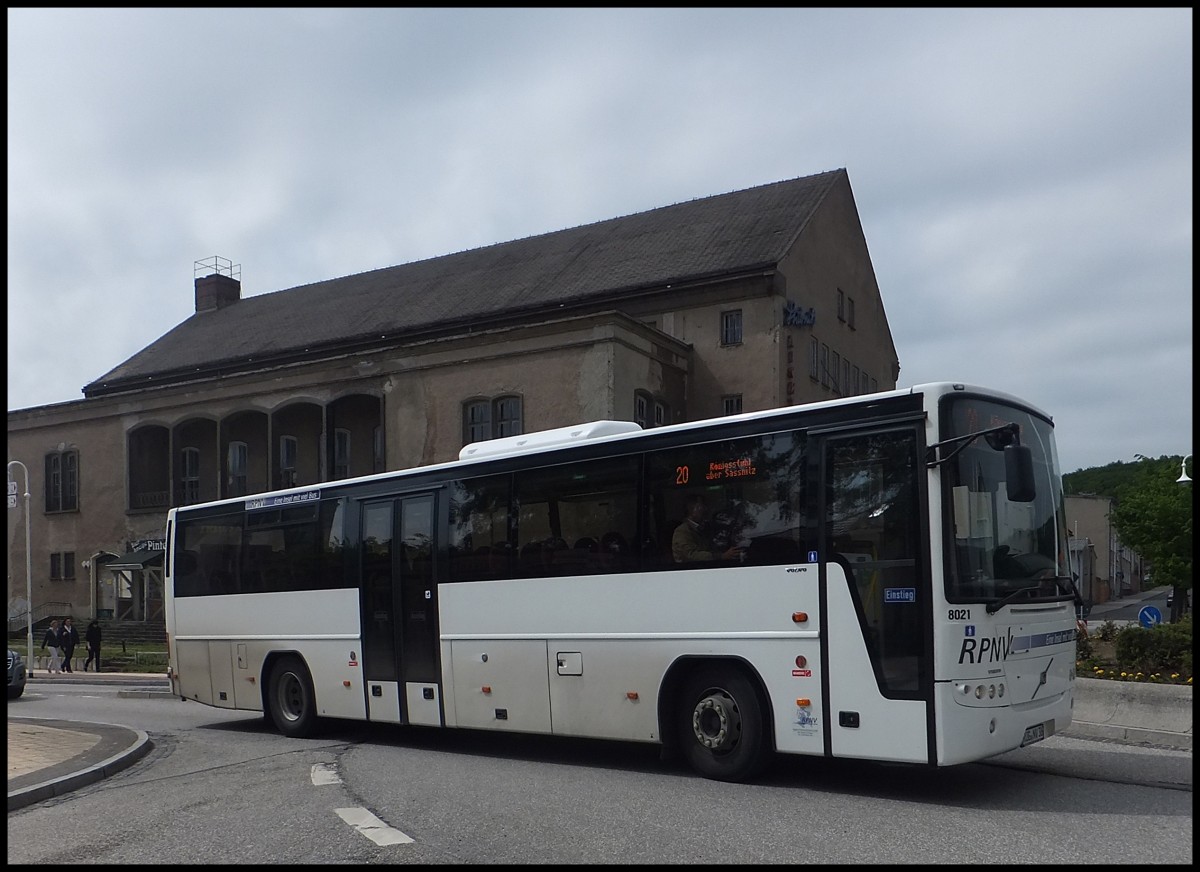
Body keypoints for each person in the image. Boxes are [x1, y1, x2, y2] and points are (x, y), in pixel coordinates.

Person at [672, 494, 743, 563]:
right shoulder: (682, 531)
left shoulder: (704, 528)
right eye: (702, 506)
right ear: (692, 509)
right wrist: (721, 556)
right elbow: (691, 555)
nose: (706, 509)